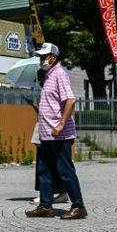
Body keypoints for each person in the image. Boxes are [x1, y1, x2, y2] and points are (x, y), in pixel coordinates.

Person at [25, 42, 87, 220]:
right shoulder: (48, 76)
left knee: (65, 170)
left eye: (44, 56)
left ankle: (78, 206)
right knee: (44, 170)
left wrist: (60, 124)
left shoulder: (59, 73)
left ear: (53, 57)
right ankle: (45, 205)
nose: (41, 59)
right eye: (40, 56)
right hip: (47, 134)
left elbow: (70, 100)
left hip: (60, 134)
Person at [29, 67, 68, 205]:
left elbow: (54, 110)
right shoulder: (46, 90)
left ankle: (48, 195)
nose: (39, 82)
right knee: (51, 164)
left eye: (40, 79)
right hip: (48, 130)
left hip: (51, 131)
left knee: (47, 164)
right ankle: (57, 192)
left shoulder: (51, 88)